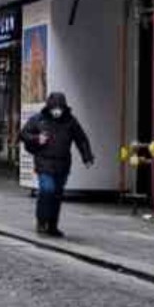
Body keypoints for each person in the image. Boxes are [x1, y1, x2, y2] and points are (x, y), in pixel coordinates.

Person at [19, 92, 94, 238]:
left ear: (64, 107)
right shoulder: (38, 119)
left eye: (59, 108)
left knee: (57, 195)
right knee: (47, 189)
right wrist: (36, 138)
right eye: (54, 108)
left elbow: (81, 139)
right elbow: (23, 134)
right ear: (49, 107)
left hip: (62, 163)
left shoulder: (70, 121)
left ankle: (52, 225)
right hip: (44, 161)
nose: (57, 111)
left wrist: (87, 157)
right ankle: (41, 221)